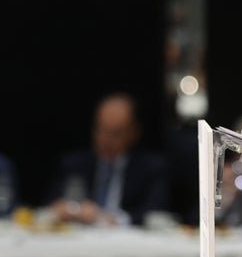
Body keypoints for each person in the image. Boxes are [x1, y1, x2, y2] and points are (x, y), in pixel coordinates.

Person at [47, 92, 169, 226]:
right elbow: (51, 205)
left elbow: (154, 213)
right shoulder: (74, 164)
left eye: (115, 133)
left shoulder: (151, 168)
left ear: (134, 132)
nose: (105, 139)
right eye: (101, 130)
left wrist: (111, 218)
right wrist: (71, 209)